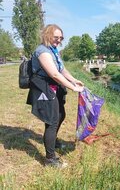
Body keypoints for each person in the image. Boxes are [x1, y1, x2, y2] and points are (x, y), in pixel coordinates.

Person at [27, 24, 84, 168]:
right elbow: (54, 74)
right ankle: (50, 159)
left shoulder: (53, 51)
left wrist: (74, 80)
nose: (59, 40)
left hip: (53, 87)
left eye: (61, 38)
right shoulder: (42, 51)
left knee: (60, 115)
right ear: (47, 35)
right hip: (43, 88)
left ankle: (53, 142)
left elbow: (62, 70)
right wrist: (73, 88)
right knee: (52, 121)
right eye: (56, 37)